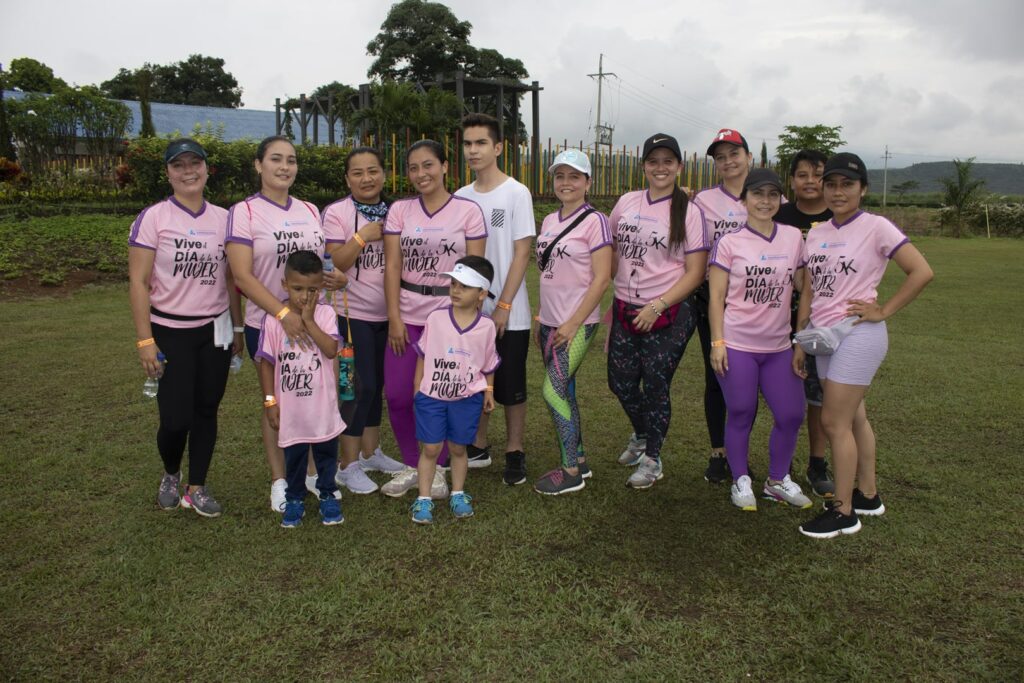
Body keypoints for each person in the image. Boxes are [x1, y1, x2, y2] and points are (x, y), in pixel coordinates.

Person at [796, 153, 933, 539]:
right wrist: (799, 337)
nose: (838, 192)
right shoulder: (818, 232)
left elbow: (922, 271)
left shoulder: (877, 227)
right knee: (854, 418)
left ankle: (843, 511)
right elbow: (810, 287)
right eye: (831, 184)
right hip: (823, 338)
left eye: (847, 185)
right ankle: (868, 495)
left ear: (863, 189)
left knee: (833, 422)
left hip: (857, 334)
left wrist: (883, 309)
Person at [226, 136, 342, 513]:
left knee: (314, 393)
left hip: (314, 319)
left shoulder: (309, 208)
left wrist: (335, 275)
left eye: (291, 160)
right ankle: (279, 480)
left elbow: (320, 262)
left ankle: (308, 474)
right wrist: (282, 314)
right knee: (278, 399)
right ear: (258, 165)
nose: (284, 167)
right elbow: (242, 275)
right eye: (275, 159)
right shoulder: (243, 212)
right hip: (271, 321)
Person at [128, 138, 243, 518]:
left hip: (215, 329)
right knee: (176, 418)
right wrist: (146, 340)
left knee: (207, 409)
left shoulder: (226, 218)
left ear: (208, 169)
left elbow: (232, 280)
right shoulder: (154, 217)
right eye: (179, 166)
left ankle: (198, 486)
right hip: (170, 331)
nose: (188, 171)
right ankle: (171, 473)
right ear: (168, 173)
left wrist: (237, 328)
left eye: (196, 164)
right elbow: (139, 282)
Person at [381, 139, 487, 498]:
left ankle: (438, 467)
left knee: (441, 394)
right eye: (413, 167)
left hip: (449, 319)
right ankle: (414, 464)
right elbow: (393, 265)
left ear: (445, 166)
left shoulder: (468, 211)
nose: (421, 173)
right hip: (408, 315)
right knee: (397, 395)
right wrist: (394, 317)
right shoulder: (400, 211)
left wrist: (465, 324)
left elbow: (474, 273)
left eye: (428, 165)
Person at [607, 133, 708, 489]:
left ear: (679, 166)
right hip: (625, 307)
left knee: (655, 385)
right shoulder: (627, 202)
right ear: (644, 166)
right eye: (653, 161)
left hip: (669, 313)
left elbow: (696, 272)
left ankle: (653, 458)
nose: (660, 167)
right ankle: (641, 434)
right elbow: (613, 251)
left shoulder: (689, 211)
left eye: (668, 161)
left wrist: (657, 304)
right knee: (619, 382)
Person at [708, 168, 812, 511]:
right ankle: (740, 479)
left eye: (772, 195)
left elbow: (804, 286)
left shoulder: (793, 237)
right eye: (757, 194)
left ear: (779, 199)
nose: (764, 202)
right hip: (738, 344)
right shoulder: (729, 242)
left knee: (792, 414)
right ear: (745, 199)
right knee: (740, 411)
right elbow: (716, 297)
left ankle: (777, 480)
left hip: (779, 347)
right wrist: (717, 343)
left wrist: (802, 337)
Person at [455, 113, 535, 486]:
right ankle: (478, 444)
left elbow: (521, 254)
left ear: (498, 147)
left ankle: (515, 450)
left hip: (510, 312)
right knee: (473, 379)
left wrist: (503, 305)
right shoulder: (460, 196)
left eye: (481, 143)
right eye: (468, 143)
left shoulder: (516, 193)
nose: (473, 150)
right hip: (471, 312)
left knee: (511, 385)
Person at [322, 147, 405, 494]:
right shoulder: (336, 213)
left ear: (384, 175)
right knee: (356, 387)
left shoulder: (397, 212)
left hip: (389, 315)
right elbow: (333, 264)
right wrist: (361, 236)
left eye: (373, 171)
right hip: (350, 316)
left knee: (378, 388)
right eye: (357, 173)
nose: (366, 178)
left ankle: (371, 453)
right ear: (347, 179)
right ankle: (347, 465)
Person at [532, 149, 612, 495]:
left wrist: (571, 323)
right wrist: (546, 319)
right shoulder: (550, 221)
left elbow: (602, 278)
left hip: (577, 324)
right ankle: (579, 458)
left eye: (574, 176)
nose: (566, 183)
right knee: (567, 390)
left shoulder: (596, 221)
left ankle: (569, 472)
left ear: (587, 182)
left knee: (552, 392)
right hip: (549, 321)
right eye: (560, 176)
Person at [257, 251, 345, 528]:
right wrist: (270, 402)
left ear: (321, 288)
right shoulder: (273, 321)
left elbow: (331, 350)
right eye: (297, 289)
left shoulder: (326, 313)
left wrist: (309, 321)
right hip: (291, 408)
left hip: (322, 407)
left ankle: (328, 493)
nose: (304, 296)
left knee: (326, 455)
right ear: (284, 285)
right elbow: (267, 365)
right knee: (294, 456)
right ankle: (294, 498)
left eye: (312, 290)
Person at [410, 257, 500, 524]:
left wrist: (489, 391)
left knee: (459, 449)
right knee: (431, 448)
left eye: (465, 286)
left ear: (481, 294)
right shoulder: (436, 318)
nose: (455, 290)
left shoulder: (486, 326)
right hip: (431, 397)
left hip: (466, 399)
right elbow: (422, 355)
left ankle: (458, 493)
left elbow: (488, 363)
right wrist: (418, 389)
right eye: (453, 283)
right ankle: (423, 498)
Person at [774, 149, 835, 498]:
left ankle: (816, 463)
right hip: (775, 319)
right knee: (777, 397)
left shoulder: (838, 216)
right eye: (802, 175)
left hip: (823, 321)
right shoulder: (779, 215)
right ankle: (767, 466)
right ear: (792, 180)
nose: (810, 181)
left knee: (818, 398)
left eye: (818, 174)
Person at [693, 128, 753, 484]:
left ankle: (741, 450)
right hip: (712, 301)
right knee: (717, 377)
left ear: (749, 157)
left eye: (734, 153)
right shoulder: (703, 201)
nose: (728, 161)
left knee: (749, 381)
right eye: (720, 157)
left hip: (758, 306)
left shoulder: (766, 195)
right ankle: (720, 452)